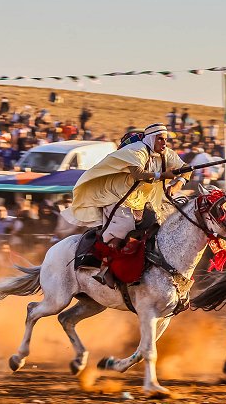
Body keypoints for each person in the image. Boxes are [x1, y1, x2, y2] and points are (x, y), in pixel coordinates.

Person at [62, 123, 190, 286]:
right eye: (160, 139)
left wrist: (178, 184)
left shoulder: (166, 154)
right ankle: (105, 269)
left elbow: (187, 168)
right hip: (116, 195)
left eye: (165, 139)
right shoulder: (137, 150)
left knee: (157, 225)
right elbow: (138, 174)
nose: (164, 143)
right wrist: (164, 175)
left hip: (139, 200)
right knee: (124, 228)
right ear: (151, 139)